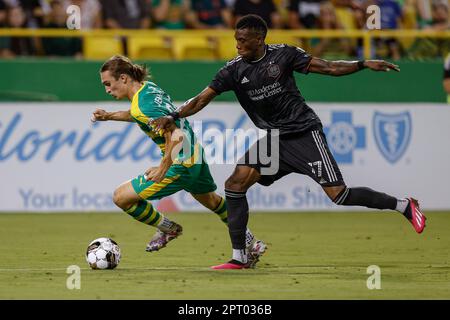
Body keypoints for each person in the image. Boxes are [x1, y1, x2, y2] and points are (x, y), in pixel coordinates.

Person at [152, 14, 427, 270]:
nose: (237, 45)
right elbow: (201, 98)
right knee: (234, 185)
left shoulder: (285, 55)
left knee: (339, 195)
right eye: (236, 39)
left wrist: (363, 64)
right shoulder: (233, 71)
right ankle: (241, 257)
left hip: (304, 133)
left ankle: (403, 206)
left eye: (243, 40)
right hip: (274, 140)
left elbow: (329, 68)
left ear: (259, 39)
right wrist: (173, 115)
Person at [91, 55, 266, 267]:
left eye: (108, 84)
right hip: (195, 155)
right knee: (213, 201)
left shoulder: (143, 106)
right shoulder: (148, 89)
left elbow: (176, 135)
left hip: (180, 163)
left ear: (124, 78)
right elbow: (137, 115)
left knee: (121, 197)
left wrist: (163, 167)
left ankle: (168, 228)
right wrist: (109, 116)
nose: (107, 90)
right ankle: (251, 243)